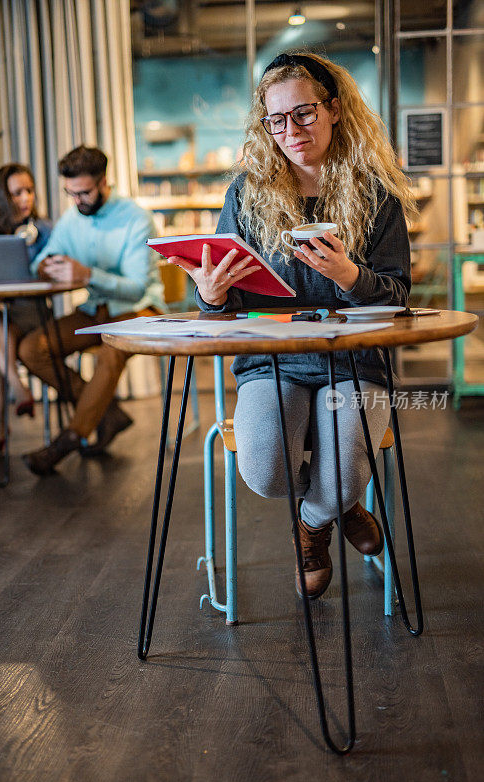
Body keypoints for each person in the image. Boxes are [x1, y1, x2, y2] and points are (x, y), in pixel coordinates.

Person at [167, 52, 416, 599]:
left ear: (333, 110)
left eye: (303, 113)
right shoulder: (247, 196)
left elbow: (398, 295)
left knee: (348, 469)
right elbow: (224, 302)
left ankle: (313, 526)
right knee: (264, 470)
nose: (291, 131)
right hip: (271, 363)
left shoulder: (376, 195)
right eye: (276, 120)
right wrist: (209, 296)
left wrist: (351, 276)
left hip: (354, 364)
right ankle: (336, 506)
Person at [19, 145, 165, 475]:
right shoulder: (72, 218)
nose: (77, 201)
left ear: (103, 183)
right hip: (94, 310)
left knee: (111, 349)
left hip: (142, 310)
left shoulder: (135, 218)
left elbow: (136, 287)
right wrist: (46, 266)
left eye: (84, 192)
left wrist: (87, 275)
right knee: (31, 349)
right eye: (71, 193)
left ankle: (70, 438)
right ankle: (105, 413)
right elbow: (42, 260)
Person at [0, 163, 52, 448]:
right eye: (17, 193)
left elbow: (52, 273)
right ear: (3, 197)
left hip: (29, 314)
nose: (25, 198)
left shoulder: (44, 230)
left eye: (29, 190)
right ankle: (18, 388)